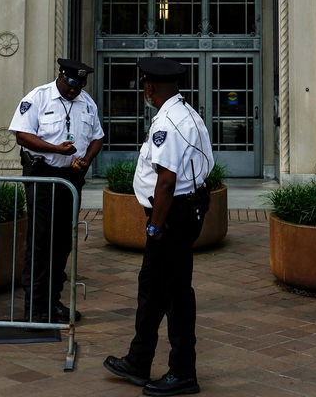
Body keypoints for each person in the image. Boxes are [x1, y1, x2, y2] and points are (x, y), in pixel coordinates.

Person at [104, 57, 214, 397]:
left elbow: (166, 181)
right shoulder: (184, 113)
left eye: (144, 87)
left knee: (176, 295)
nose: (144, 91)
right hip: (180, 211)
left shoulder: (170, 121)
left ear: (150, 88)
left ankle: (183, 373)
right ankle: (139, 360)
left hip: (172, 216)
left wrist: (155, 227)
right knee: (152, 289)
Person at [8, 58, 104, 323]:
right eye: (71, 85)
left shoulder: (87, 102)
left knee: (62, 243)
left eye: (79, 86)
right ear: (61, 76)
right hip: (43, 176)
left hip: (72, 177)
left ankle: (53, 302)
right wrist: (55, 149)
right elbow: (22, 135)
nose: (74, 91)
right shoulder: (38, 97)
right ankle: (34, 309)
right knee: (40, 242)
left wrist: (87, 159)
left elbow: (98, 137)